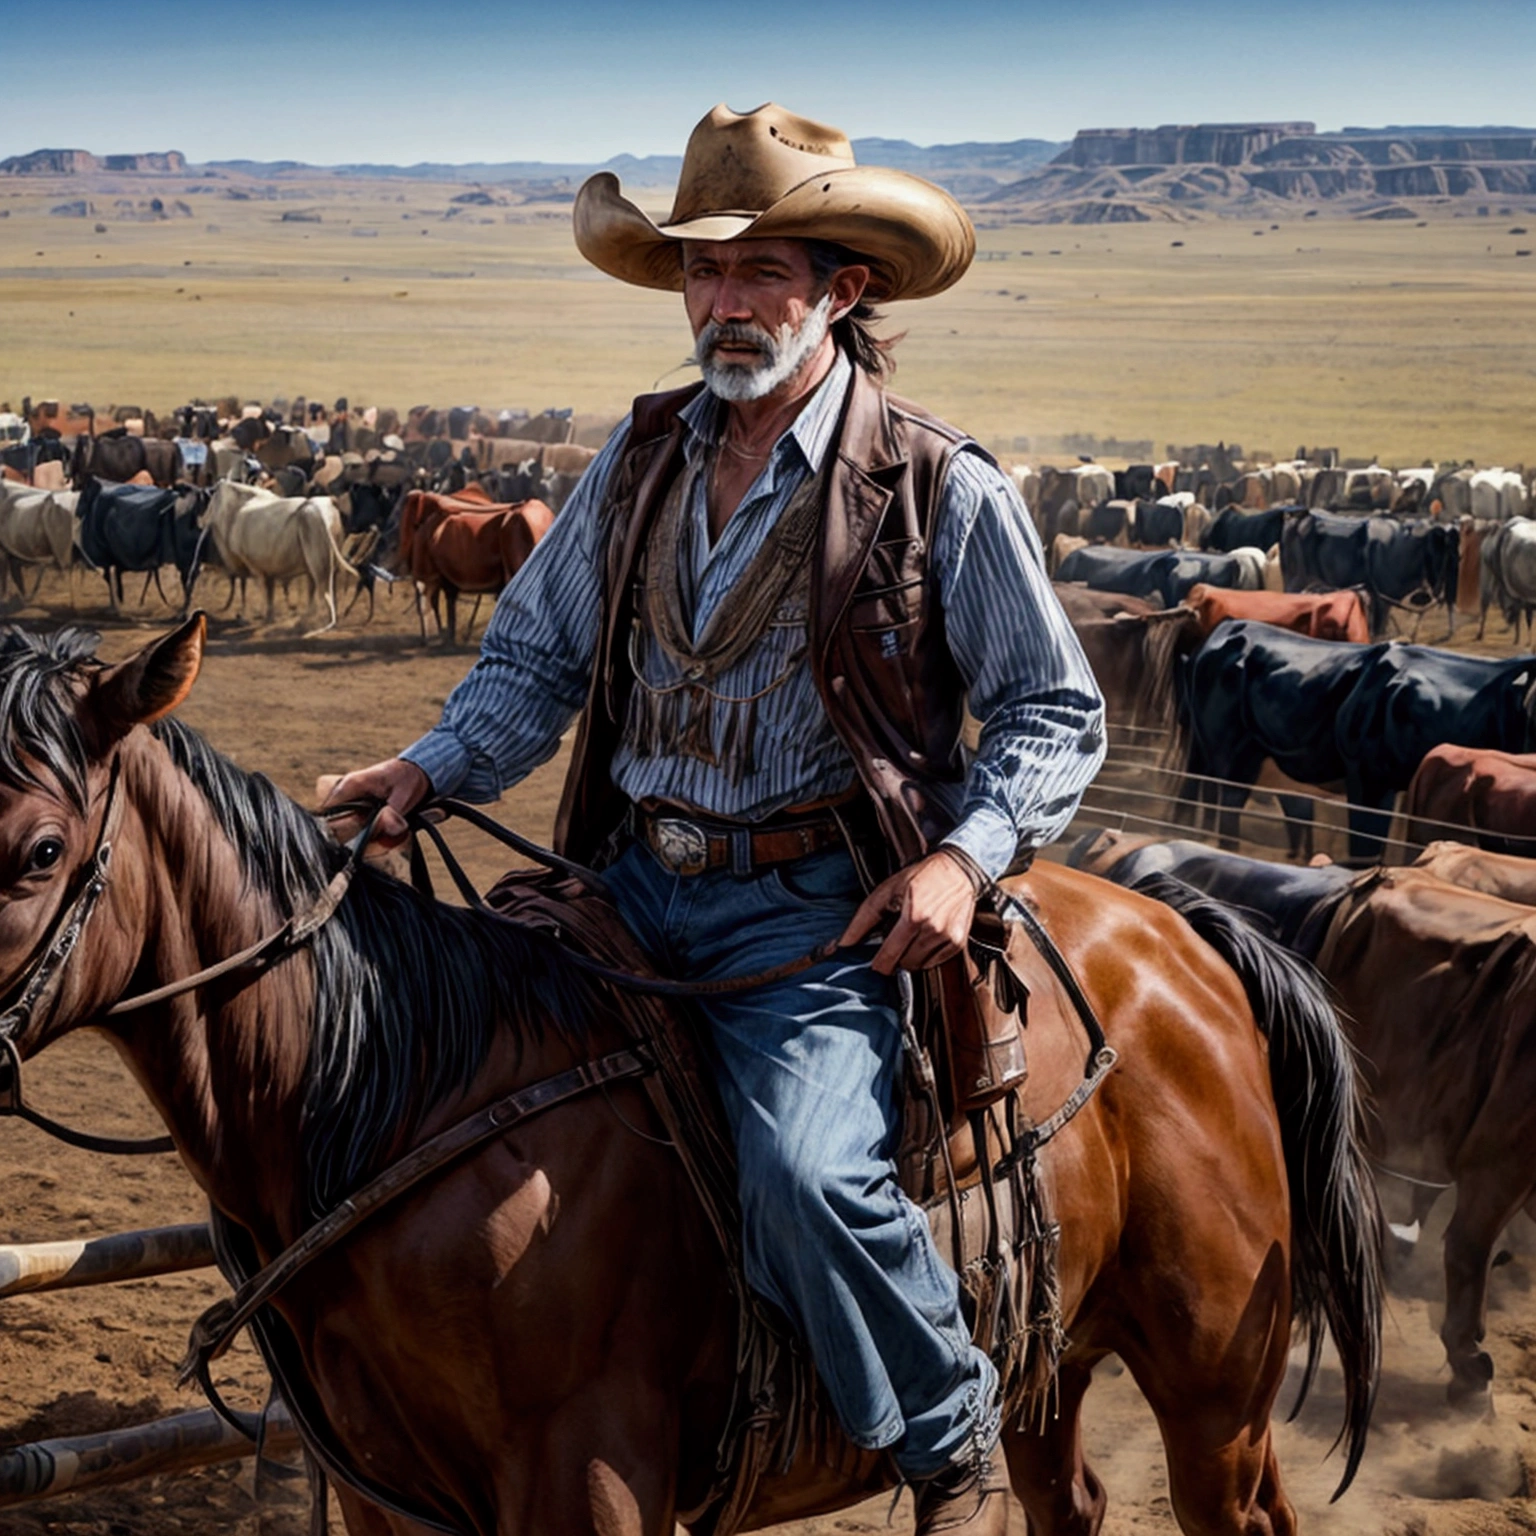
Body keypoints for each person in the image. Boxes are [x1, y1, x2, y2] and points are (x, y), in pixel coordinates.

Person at [326, 103, 1105, 1534]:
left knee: (808, 1173)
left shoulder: (939, 486)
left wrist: (958, 858)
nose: (723, 304)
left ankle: (954, 1445)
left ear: (844, 291)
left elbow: (1057, 712)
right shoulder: (636, 462)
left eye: (760, 272)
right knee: (406, 1093)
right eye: (700, 272)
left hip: (815, 914)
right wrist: (430, 771)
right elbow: (533, 663)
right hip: (619, 885)